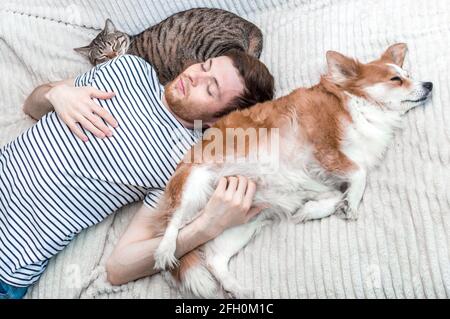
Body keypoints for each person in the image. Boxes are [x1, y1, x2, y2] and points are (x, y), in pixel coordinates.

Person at [0, 51, 274, 299]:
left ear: (218, 121)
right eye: (204, 65)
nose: (194, 76)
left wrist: (207, 227)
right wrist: (56, 93)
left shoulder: (183, 162)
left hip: (8, 260)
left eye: (210, 88)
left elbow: (118, 268)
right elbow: (31, 107)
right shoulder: (128, 68)